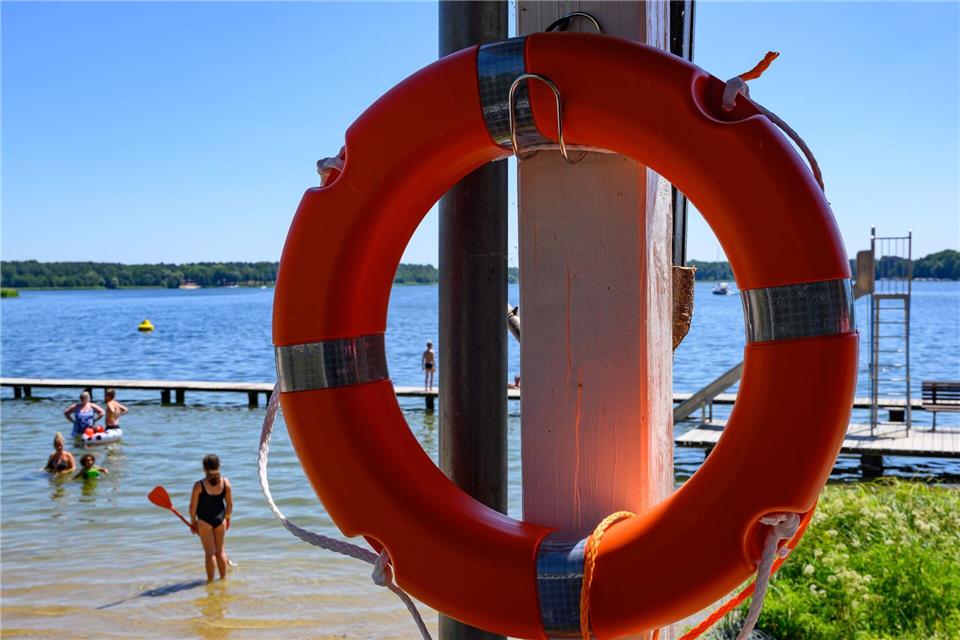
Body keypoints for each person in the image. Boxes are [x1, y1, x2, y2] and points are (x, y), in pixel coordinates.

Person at [189, 454, 233, 582]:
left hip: (204, 521)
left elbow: (192, 507)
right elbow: (230, 504)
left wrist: (193, 523)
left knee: (210, 553)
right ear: (219, 466)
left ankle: (210, 582)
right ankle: (223, 580)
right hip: (220, 520)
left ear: (204, 468)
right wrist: (227, 518)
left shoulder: (199, 485)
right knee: (220, 551)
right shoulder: (226, 483)